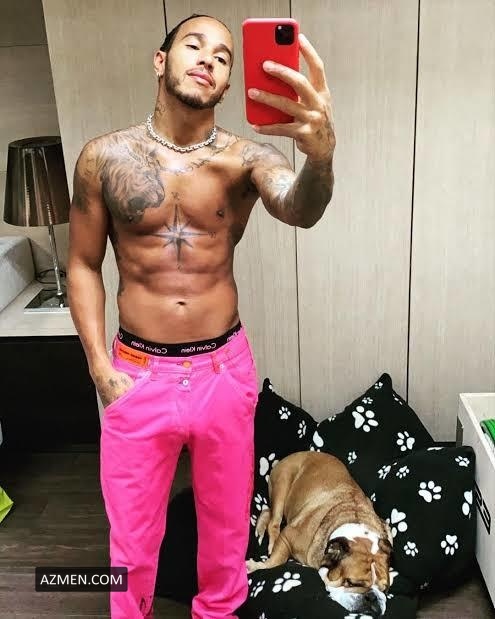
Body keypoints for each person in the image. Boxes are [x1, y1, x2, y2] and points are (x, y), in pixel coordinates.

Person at [67, 13, 335, 619]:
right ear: (161, 60)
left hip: (222, 372)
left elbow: (300, 207)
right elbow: (82, 263)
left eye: (223, 55)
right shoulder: (103, 158)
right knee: (131, 537)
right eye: (194, 44)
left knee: (226, 530)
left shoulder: (247, 159)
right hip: (137, 373)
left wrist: (320, 159)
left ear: (227, 84)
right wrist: (100, 368)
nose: (209, 58)